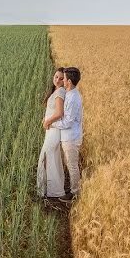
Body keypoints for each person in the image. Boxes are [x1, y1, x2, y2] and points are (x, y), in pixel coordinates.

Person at [47, 67, 82, 199]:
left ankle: (75, 193)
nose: (63, 80)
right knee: (70, 163)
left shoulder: (73, 98)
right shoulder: (71, 94)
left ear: (69, 81)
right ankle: (73, 188)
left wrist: (51, 123)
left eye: (64, 78)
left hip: (71, 138)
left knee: (72, 165)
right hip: (69, 136)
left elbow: (67, 122)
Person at [37, 68, 66, 198]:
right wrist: (46, 119)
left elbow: (60, 113)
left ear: (65, 80)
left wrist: (47, 121)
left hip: (54, 130)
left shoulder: (60, 92)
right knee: (51, 157)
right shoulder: (56, 91)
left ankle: (52, 191)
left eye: (61, 78)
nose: (58, 80)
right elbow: (53, 111)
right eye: (56, 77)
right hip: (51, 130)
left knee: (47, 157)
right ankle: (53, 189)